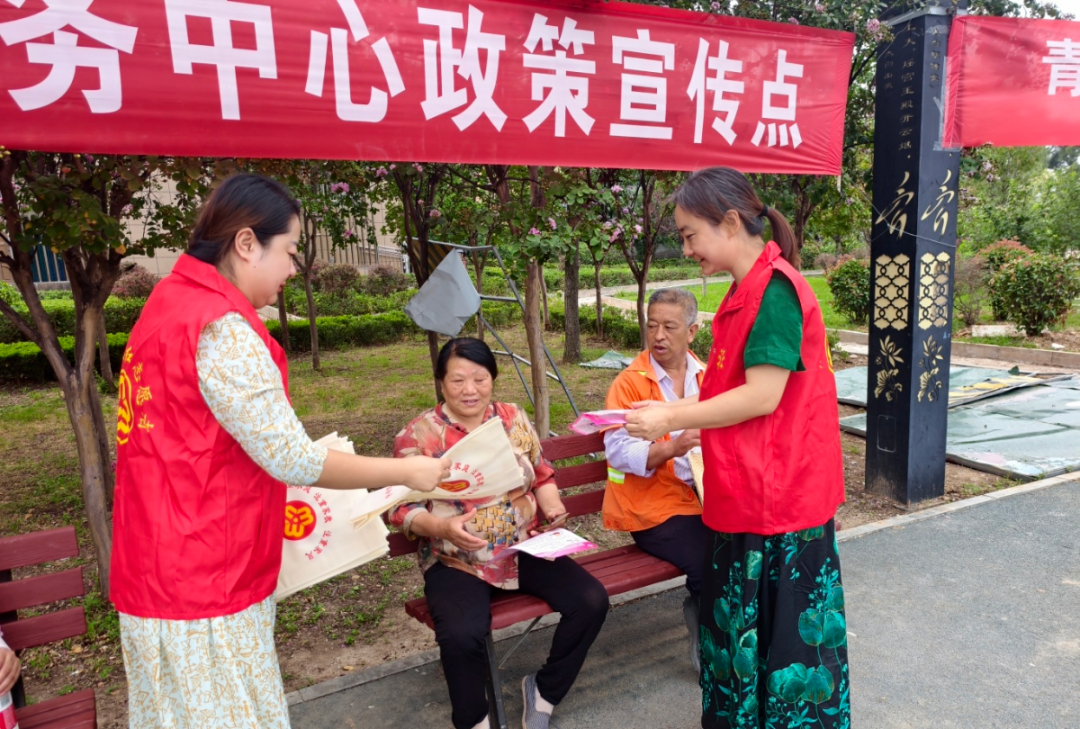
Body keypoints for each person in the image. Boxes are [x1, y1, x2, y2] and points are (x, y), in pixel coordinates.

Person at [110, 174, 449, 729]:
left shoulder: (168, 303)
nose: (295, 269)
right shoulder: (221, 326)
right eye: (289, 251)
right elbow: (292, 458)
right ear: (247, 243)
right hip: (204, 578)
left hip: (157, 562)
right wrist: (409, 470)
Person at [625, 167, 849, 729]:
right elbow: (730, 397)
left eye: (689, 234)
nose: (686, 248)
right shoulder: (742, 293)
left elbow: (762, 396)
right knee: (738, 639)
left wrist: (670, 416)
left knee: (785, 646)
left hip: (779, 502)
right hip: (745, 491)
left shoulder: (776, 291)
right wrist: (680, 418)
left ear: (728, 222)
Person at [392, 337, 609, 729]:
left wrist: (552, 506)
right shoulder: (419, 435)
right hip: (457, 559)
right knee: (461, 634)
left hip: (522, 548)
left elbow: (541, 474)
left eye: (480, 378)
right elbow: (402, 508)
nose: (470, 390)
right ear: (441, 382)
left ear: (492, 378)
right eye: (457, 380)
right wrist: (440, 527)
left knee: (590, 601)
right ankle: (474, 720)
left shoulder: (512, 417)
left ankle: (544, 691)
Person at [602, 287, 711, 674]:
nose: (659, 336)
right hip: (652, 505)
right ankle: (712, 645)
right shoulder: (629, 383)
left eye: (669, 326)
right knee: (709, 559)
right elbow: (618, 453)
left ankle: (726, 628)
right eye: (652, 326)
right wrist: (673, 447)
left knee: (746, 544)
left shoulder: (709, 376)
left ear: (692, 331)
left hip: (708, 494)